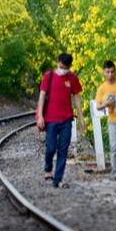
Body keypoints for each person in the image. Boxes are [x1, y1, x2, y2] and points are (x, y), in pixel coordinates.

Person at [36, 53, 86, 188]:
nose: (63, 69)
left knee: (63, 150)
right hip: (51, 120)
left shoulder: (73, 78)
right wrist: (40, 115)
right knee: (51, 148)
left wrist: (82, 119)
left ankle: (57, 179)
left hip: (66, 120)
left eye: (66, 67)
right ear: (57, 62)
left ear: (70, 66)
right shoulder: (49, 76)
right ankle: (48, 168)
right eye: (61, 66)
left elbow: (77, 99)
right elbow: (42, 95)